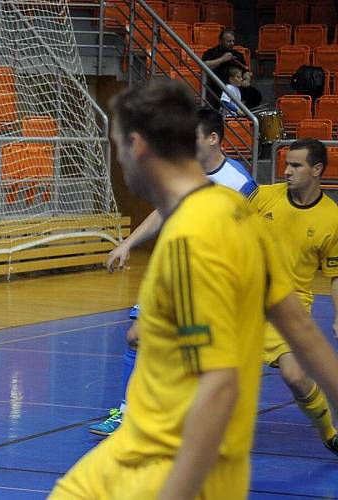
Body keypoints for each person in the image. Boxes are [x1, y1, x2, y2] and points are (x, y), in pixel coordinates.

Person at [50, 79, 338, 499]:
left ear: (140, 146)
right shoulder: (229, 215)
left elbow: (218, 387)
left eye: (118, 146)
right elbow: (302, 330)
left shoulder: (195, 236)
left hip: (161, 465)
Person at [89, 108, 257, 436]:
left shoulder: (239, 183)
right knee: (136, 337)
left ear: (212, 138)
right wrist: (127, 244)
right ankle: (128, 413)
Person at [248, 138, 338, 454]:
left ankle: (329, 433)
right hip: (241, 299)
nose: (287, 171)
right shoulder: (263, 197)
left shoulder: (332, 217)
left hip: (288, 306)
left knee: (297, 377)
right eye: (286, 164)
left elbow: (335, 273)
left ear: (317, 170)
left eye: (296, 165)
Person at [202, 29, 252, 109]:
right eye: (229, 41)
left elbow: (246, 71)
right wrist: (222, 59)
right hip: (218, 88)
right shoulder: (211, 53)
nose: (232, 44)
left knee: (255, 95)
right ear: (221, 41)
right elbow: (204, 66)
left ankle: (246, 118)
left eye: (233, 41)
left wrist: (247, 80)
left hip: (237, 87)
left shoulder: (237, 54)